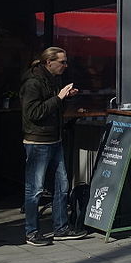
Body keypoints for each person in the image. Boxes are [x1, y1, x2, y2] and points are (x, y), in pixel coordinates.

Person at [20, 47, 88, 246]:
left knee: (62, 185)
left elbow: (52, 108)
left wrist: (65, 97)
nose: (65, 65)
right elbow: (33, 113)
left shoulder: (53, 79)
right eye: (62, 62)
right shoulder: (33, 82)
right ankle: (32, 232)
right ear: (49, 62)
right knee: (35, 188)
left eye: (66, 61)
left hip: (54, 138)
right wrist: (58, 98)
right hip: (37, 141)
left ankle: (61, 228)